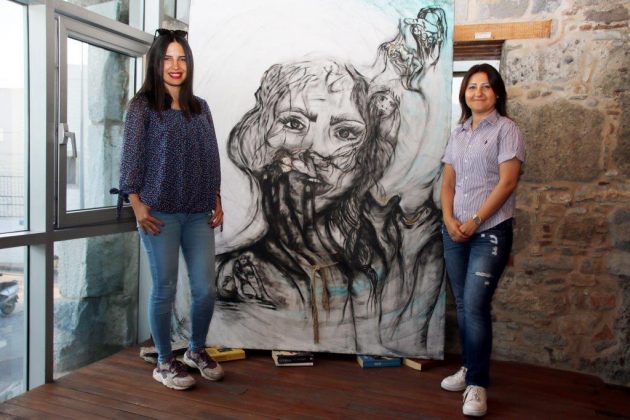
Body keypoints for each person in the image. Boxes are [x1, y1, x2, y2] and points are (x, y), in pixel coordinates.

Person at [115, 28, 224, 390]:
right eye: (167, 59)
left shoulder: (200, 107)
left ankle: (195, 350)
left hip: (197, 212)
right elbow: (130, 158)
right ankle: (164, 362)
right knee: (164, 288)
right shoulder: (142, 106)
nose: (175, 66)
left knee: (205, 289)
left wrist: (216, 198)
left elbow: (210, 157)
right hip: (158, 213)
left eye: (181, 58)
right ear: (156, 63)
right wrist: (136, 206)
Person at [440, 63, 525, 416]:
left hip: (489, 232)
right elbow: (448, 181)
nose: (478, 92)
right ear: (465, 94)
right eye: (472, 86)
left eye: (485, 86)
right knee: (463, 304)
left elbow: (508, 183)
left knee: (475, 306)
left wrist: (474, 222)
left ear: (497, 92)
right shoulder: (459, 133)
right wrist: (449, 219)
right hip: (454, 231)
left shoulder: (507, 129)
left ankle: (477, 385)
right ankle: (469, 367)